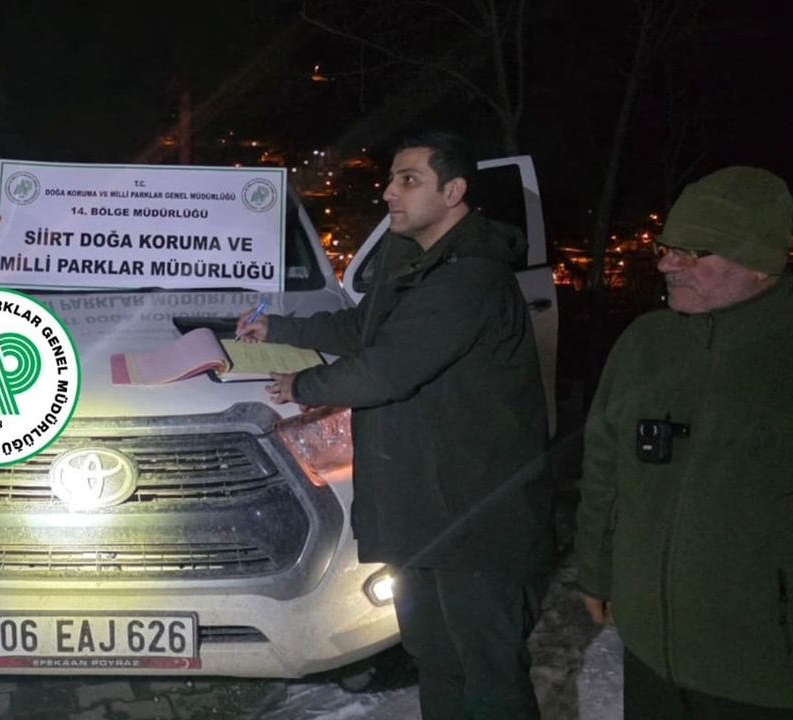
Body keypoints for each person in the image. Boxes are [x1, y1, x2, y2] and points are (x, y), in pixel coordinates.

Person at [237, 131, 554, 719]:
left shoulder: (470, 277)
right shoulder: (412, 261)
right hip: (427, 508)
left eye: (409, 180)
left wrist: (303, 386)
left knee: (488, 674)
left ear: (453, 191)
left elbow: (386, 369)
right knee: (436, 658)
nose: (388, 192)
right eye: (390, 179)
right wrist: (280, 330)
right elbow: (363, 330)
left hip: (476, 513)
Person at [575, 167, 793, 718]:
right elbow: (603, 468)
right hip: (650, 651)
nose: (668, 264)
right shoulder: (643, 343)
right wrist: (596, 571)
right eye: (668, 248)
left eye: (694, 252)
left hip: (760, 668)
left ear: (761, 262)